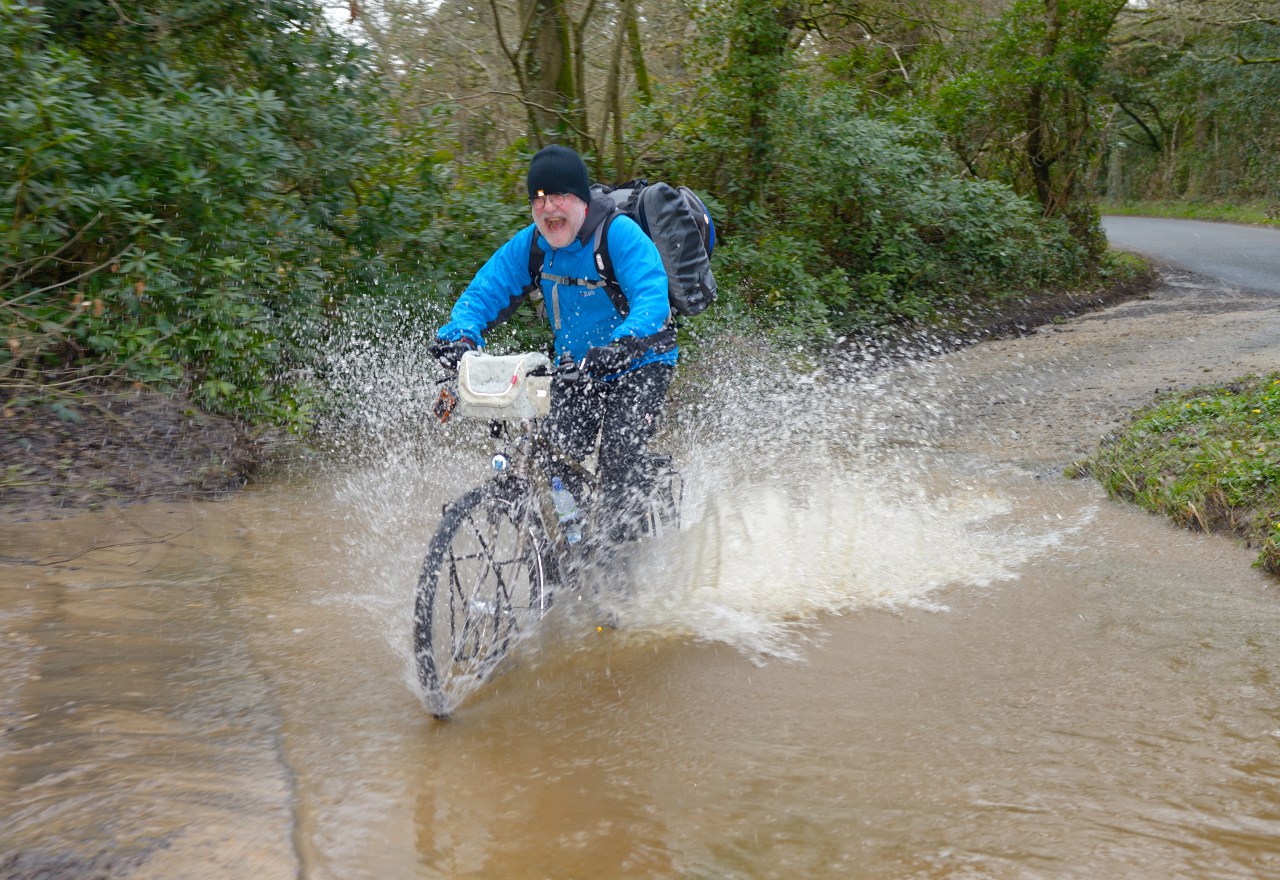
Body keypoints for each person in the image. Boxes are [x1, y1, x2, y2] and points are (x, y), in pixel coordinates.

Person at [430, 145, 676, 543]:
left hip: (640, 361)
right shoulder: (532, 247)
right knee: (553, 454)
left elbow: (651, 295)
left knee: (617, 461)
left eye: (559, 195)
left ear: (580, 199)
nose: (548, 208)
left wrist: (621, 344)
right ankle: (575, 542)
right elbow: (483, 293)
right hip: (575, 368)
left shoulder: (618, 234)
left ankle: (622, 573)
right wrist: (458, 336)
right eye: (538, 198)